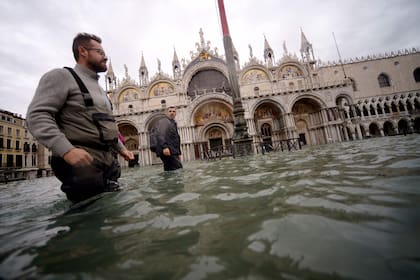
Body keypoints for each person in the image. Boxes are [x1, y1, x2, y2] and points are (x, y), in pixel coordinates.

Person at [26, 32, 134, 203]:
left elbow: (104, 125)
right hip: (81, 163)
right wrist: (66, 150)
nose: (105, 57)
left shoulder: (100, 90)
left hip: (108, 163)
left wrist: (120, 148)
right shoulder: (62, 77)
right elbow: (36, 115)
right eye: (100, 52)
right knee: (89, 218)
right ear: (83, 51)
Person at [156, 106, 183, 171]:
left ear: (176, 113)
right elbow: (160, 134)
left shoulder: (173, 123)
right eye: (170, 111)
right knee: (178, 168)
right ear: (166, 113)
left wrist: (178, 153)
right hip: (168, 150)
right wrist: (165, 147)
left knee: (170, 170)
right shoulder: (165, 121)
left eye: (174, 111)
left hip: (173, 151)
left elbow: (176, 139)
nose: (172, 113)